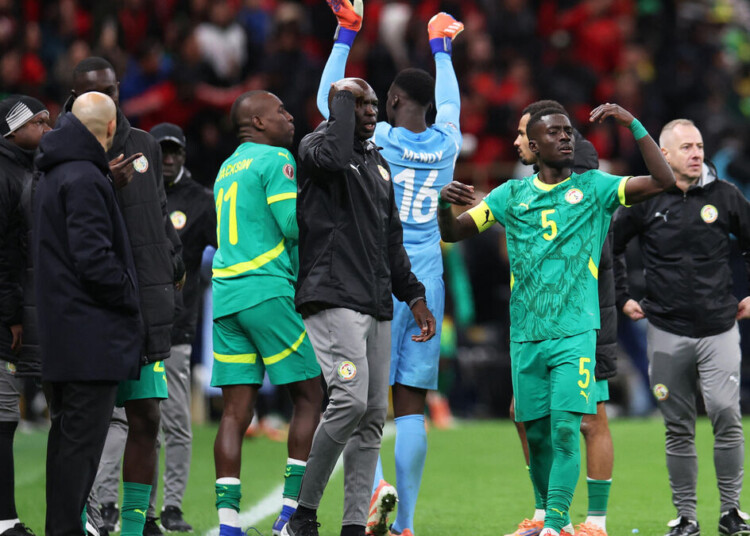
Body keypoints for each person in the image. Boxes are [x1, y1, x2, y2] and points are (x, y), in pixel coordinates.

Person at [437, 104, 674, 536]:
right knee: (535, 431)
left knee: (568, 428)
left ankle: (558, 525)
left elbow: (663, 180)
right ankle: (546, 514)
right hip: (526, 336)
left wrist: (634, 125)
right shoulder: (510, 196)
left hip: (574, 334)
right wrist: (441, 204)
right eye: (554, 132)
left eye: (568, 131)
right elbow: (453, 233)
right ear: (534, 143)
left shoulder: (595, 188)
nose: (566, 137)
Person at [314, 4, 463, 535]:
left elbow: (327, 100)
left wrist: (346, 34)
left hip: (375, 273)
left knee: (363, 398)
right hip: (426, 275)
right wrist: (441, 46)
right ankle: (409, 525)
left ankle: (376, 486)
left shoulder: (379, 144)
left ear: (393, 101)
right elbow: (449, 102)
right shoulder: (447, 146)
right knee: (412, 405)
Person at [282, 76, 436, 536]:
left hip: (376, 304)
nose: (370, 111)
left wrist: (416, 295)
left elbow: (393, 240)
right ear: (339, 109)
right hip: (332, 297)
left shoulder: (378, 165)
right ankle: (302, 514)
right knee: (348, 401)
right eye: (358, 104)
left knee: (371, 418)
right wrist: (340, 102)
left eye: (372, 104)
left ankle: (353, 525)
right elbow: (332, 154)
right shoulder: (317, 148)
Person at [613, 119, 750, 536]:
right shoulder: (646, 200)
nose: (696, 152)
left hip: (719, 327)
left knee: (727, 412)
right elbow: (611, 246)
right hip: (667, 329)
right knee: (678, 425)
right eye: (686, 147)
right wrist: (622, 297)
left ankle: (731, 512)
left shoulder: (726, 196)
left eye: (699, 145)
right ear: (665, 155)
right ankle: (686, 516)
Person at [65, 57, 184, 536]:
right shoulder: (59, 151)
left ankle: (134, 527)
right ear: (72, 100)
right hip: (87, 309)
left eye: (112, 89)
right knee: (81, 426)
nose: (107, 99)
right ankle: (75, 519)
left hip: (139, 310)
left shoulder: (145, 146)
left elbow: (158, 215)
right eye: (95, 92)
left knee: (147, 418)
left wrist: (170, 267)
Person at [210, 91, 323, 536]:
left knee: (236, 411)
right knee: (311, 395)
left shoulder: (226, 167)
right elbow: (294, 225)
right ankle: (290, 514)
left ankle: (228, 524)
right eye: (281, 111)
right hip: (265, 290)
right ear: (257, 121)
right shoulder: (277, 159)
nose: (290, 117)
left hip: (225, 295)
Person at [33, 91, 142, 536]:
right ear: (112, 129)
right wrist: (129, 295)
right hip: (89, 340)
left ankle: (62, 527)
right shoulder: (84, 177)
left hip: (65, 334)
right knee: (79, 453)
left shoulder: (58, 172)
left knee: (66, 449)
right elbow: (93, 259)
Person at [506, 100, 616, 536]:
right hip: (540, 317)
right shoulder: (526, 185)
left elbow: (599, 234)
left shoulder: (577, 163)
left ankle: (594, 521)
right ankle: (546, 513)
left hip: (586, 308)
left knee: (590, 416)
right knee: (527, 413)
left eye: (521, 134)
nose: (517, 142)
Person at [146, 123, 217, 532]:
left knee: (173, 421)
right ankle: (116, 505)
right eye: (162, 151)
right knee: (129, 424)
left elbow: (227, 249)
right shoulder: (132, 192)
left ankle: (171, 506)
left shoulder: (201, 201)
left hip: (175, 327)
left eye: (174, 151)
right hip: (132, 329)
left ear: (184, 155)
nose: (168, 158)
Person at [0, 94, 50, 536]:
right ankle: (4, 520)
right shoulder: (6, 175)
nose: (47, 128)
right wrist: (11, 313)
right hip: (3, 318)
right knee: (1, 421)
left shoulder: (25, 169)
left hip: (11, 311)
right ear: (14, 131)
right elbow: (2, 254)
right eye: (39, 121)